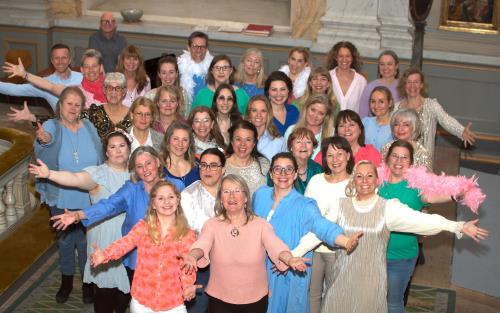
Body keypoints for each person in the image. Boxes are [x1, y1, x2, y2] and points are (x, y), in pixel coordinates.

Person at [293, 160, 488, 313]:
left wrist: (458, 226)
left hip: (371, 283)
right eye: (359, 176)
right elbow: (318, 232)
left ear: (377, 180)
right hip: (339, 280)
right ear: (354, 181)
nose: (364, 181)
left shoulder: (388, 207)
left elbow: (423, 221)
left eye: (370, 176)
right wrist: (293, 254)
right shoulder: (339, 205)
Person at [29, 130, 132, 313]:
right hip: (104, 239)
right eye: (113, 147)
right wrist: (49, 174)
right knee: (105, 292)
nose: (118, 151)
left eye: (122, 146)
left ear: (129, 149)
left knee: (126, 291)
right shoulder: (98, 174)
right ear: (106, 152)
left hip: (130, 238)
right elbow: (75, 179)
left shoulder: (136, 174)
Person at [50, 147, 184, 281]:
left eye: (148, 163)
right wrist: (78, 215)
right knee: (141, 298)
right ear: (135, 170)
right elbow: (108, 205)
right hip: (139, 257)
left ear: (157, 162)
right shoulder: (131, 190)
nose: (145, 169)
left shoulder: (177, 186)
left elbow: (189, 220)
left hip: (171, 255)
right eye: (139, 166)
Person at [252, 152, 361, 313]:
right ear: (270, 173)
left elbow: (321, 225)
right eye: (278, 169)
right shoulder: (260, 195)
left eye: (289, 169)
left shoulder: (305, 205)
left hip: (289, 269)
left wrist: (344, 241)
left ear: (295, 174)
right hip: (259, 268)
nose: (283, 174)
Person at [183, 174, 309, 313]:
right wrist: (193, 256)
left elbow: (276, 246)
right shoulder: (212, 225)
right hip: (219, 299)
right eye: (226, 192)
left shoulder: (261, 225)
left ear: (246, 197)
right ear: (221, 199)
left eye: (237, 191)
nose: (231, 196)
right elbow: (202, 244)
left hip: (255, 300)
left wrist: (289, 258)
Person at [34, 86, 103, 304]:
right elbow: (45, 142)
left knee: (86, 241)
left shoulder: (89, 126)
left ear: (82, 107)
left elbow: (100, 156)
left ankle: (87, 283)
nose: (73, 108)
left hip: (88, 195)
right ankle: (65, 281)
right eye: (69, 103)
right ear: (60, 105)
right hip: (62, 195)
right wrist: (44, 139)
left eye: (77, 104)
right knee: (65, 242)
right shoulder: (51, 126)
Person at [91, 181, 198, 313]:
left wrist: (187, 286)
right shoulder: (143, 227)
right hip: (142, 301)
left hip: (172, 302)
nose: (167, 202)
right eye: (161, 198)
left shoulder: (187, 234)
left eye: (171, 197)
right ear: (153, 204)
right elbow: (125, 243)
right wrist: (105, 254)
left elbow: (187, 265)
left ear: (177, 200)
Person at [301, 136, 354, 313]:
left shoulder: (354, 184)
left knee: (335, 294)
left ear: (348, 155)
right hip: (313, 248)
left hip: (339, 249)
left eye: (339, 154)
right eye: (330, 155)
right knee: (312, 294)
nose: (335, 160)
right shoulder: (316, 180)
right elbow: (305, 211)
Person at [394, 68, 477, 163]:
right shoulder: (396, 108)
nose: (412, 85)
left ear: (421, 85)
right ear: (404, 85)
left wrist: (461, 131)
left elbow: (446, 120)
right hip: (399, 162)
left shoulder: (431, 106)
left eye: (416, 82)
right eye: (409, 82)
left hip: (423, 164)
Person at [181, 148, 225, 313]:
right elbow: (187, 235)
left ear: (223, 169)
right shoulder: (188, 195)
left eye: (213, 165)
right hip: (200, 265)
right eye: (204, 165)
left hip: (229, 264)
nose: (207, 170)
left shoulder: (232, 191)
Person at [4, 48, 107, 108]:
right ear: (82, 70)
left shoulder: (111, 87)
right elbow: (50, 86)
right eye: (87, 67)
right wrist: (25, 74)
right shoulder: (76, 91)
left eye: (94, 66)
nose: (91, 70)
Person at [3, 43, 82, 118]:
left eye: (64, 58)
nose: (60, 61)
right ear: (52, 61)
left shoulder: (82, 78)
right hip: (64, 127)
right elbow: (16, 89)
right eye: (56, 58)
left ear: (70, 60)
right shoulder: (43, 84)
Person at [315, 109, 381, 166]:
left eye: (351, 125)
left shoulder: (372, 153)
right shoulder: (326, 152)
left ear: (360, 130)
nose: (347, 129)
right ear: (337, 131)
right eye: (342, 126)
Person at [270, 127, 322, 194]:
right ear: (291, 147)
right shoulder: (279, 167)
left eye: (308, 142)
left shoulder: (318, 169)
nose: (303, 146)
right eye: (298, 142)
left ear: (313, 148)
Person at [81, 72, 132, 140]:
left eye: (118, 88)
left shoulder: (133, 115)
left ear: (124, 91)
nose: (113, 92)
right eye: (109, 88)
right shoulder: (94, 112)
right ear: (104, 90)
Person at [225, 120, 270, 196]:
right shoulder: (221, 165)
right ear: (232, 141)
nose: (243, 144)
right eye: (238, 139)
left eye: (248, 140)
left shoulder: (264, 164)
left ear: (254, 143)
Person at [284, 94, 335, 160]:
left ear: (326, 117)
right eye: (313, 110)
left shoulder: (332, 133)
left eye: (321, 113)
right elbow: (285, 157)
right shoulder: (291, 130)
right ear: (306, 109)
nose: (315, 116)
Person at [325, 41, 367, 112]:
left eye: (348, 56)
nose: (344, 59)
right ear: (336, 58)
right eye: (341, 56)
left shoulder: (361, 81)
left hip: (353, 122)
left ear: (353, 58)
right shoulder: (327, 77)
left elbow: (363, 109)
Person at [359, 50, 401, 118]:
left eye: (389, 64)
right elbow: (362, 116)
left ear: (396, 66)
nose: (385, 67)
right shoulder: (369, 88)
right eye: (382, 64)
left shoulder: (403, 87)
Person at [160, 121, 200, 190]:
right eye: (176, 139)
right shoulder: (159, 166)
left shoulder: (198, 164)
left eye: (185, 140)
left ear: (190, 143)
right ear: (168, 140)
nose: (180, 144)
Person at [246, 95, 286, 161]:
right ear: (249, 114)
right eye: (254, 110)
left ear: (268, 114)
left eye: (263, 111)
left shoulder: (279, 142)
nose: (258, 115)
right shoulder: (239, 139)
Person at [178, 31, 214, 105]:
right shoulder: (179, 67)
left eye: (202, 47)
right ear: (188, 47)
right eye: (195, 46)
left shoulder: (214, 68)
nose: (199, 50)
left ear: (207, 49)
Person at [264, 71, 300, 136]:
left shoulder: (294, 111)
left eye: (282, 89)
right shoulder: (262, 113)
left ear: (288, 90)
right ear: (268, 92)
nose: (278, 94)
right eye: (274, 90)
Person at [362, 86, 394, 151]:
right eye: (373, 101)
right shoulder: (365, 122)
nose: (376, 106)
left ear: (390, 103)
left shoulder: (396, 126)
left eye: (381, 102)